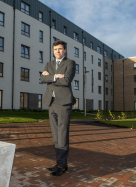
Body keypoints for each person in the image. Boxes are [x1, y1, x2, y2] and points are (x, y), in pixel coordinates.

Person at [41, 40, 76, 176]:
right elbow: (42, 79)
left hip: (64, 103)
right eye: (56, 49)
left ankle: (62, 165)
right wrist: (56, 76)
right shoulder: (49, 64)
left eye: (60, 49)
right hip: (51, 102)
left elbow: (67, 80)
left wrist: (50, 77)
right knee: (55, 134)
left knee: (62, 133)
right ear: (53, 50)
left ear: (64, 50)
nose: (58, 51)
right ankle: (59, 163)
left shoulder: (70, 63)